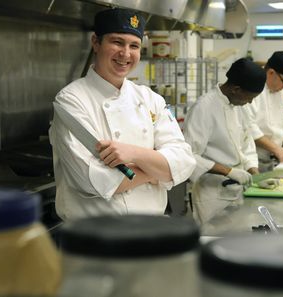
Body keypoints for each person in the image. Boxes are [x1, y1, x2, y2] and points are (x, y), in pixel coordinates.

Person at [48, 8, 196, 220]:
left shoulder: (150, 98)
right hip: (97, 240)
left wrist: (133, 154)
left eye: (134, 45)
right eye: (117, 42)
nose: (126, 54)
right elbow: (94, 180)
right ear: (96, 43)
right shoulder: (71, 100)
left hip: (151, 231)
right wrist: (158, 172)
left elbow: (184, 161)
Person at [183, 58, 266, 225]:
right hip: (212, 195)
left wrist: (255, 174)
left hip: (239, 191)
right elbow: (188, 156)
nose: (249, 102)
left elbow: (247, 143)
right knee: (213, 239)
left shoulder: (239, 106)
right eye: (249, 98)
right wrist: (228, 171)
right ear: (236, 89)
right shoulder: (203, 108)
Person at [243, 51, 283, 172]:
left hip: (273, 159)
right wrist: (276, 149)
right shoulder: (252, 87)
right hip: (251, 159)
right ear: (271, 73)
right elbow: (249, 127)